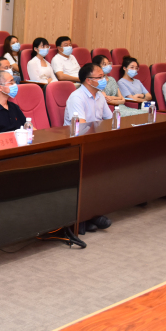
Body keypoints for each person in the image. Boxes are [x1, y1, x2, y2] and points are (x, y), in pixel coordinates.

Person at [63, 63, 113, 233]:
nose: (104, 79)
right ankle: (85, 217)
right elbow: (81, 127)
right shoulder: (77, 97)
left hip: (94, 139)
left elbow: (109, 119)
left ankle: (93, 213)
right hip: (77, 142)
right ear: (88, 80)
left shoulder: (99, 95)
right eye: (100, 77)